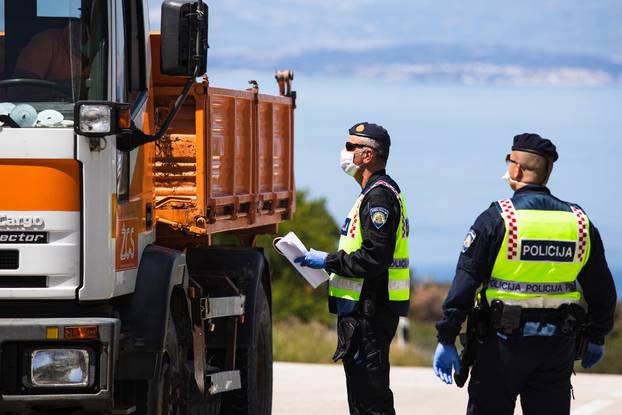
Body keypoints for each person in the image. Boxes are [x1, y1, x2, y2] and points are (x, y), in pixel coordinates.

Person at [433, 133, 617, 415]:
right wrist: (596, 335)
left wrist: (446, 336)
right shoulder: (579, 222)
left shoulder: (498, 218)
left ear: (516, 168)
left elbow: (465, 281)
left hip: (500, 345)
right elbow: (602, 289)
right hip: (557, 346)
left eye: (509, 161)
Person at [295, 122, 411, 415]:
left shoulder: (379, 197)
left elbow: (373, 258)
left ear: (368, 155)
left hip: (369, 313)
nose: (344, 153)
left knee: (371, 402)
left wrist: (328, 261)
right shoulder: (373, 193)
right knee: (363, 400)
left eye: (350, 147)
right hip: (363, 313)